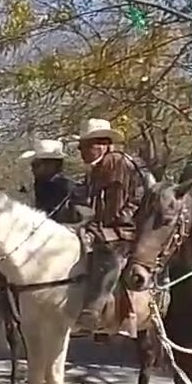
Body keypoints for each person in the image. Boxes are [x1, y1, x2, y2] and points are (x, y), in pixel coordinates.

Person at [72, 118, 154, 338]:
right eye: (81, 147)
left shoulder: (115, 163)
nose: (82, 152)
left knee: (107, 251)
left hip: (129, 228)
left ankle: (93, 312)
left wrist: (100, 224)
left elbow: (118, 207)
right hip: (114, 224)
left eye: (85, 146)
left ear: (103, 144)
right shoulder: (97, 168)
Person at [20, 138, 81, 223]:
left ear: (52, 165)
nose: (32, 168)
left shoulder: (66, 189)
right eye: (33, 165)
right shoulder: (34, 186)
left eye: (36, 165)